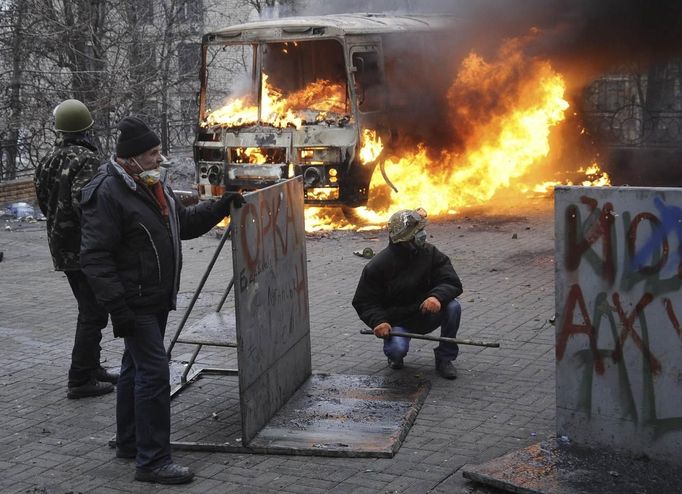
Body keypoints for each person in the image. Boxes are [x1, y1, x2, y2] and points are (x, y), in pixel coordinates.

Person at [79, 116, 245, 485]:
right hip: (133, 302)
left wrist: (221, 206)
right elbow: (94, 257)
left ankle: (130, 442)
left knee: (136, 369)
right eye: (153, 153)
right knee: (154, 374)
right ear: (132, 157)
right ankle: (152, 461)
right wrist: (117, 309)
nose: (160, 157)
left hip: (153, 298)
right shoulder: (107, 192)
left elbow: (182, 224)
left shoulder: (152, 185)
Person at [34, 99, 118, 399]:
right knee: (93, 313)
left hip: (62, 247)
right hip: (86, 248)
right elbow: (87, 204)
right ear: (86, 128)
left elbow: (44, 203)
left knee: (90, 308)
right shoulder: (87, 160)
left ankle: (92, 368)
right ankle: (80, 379)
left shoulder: (48, 160)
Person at [352, 208, 463, 379]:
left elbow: (450, 281)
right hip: (398, 321)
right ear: (405, 239)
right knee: (396, 350)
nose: (423, 235)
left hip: (425, 313)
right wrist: (379, 322)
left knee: (453, 307)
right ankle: (395, 356)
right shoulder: (379, 265)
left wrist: (436, 297)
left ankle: (444, 358)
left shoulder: (430, 253)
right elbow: (364, 301)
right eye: (417, 232)